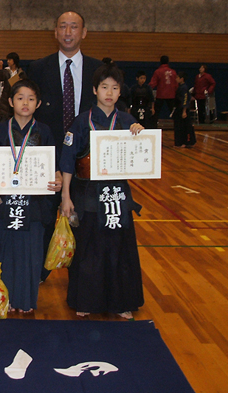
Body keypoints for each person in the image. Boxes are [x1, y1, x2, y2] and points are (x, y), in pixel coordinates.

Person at [60, 63, 145, 320]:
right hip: (86, 193)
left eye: (115, 88)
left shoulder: (129, 122)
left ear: (120, 93)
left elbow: (142, 157)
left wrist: (140, 136)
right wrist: (65, 196)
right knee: (88, 248)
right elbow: (67, 161)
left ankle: (121, 302)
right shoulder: (80, 122)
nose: (109, 92)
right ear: (95, 90)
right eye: (104, 87)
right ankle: (85, 300)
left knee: (119, 248)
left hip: (117, 194)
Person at [27, 11, 102, 282]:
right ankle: (38, 273)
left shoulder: (99, 70)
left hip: (86, 164)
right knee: (44, 217)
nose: (68, 32)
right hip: (48, 160)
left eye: (74, 27)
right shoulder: (37, 69)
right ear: (55, 32)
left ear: (84, 32)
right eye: (63, 26)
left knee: (85, 221)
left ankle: (83, 279)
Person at [0, 79, 62, 313]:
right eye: (20, 98)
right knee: (1, 250)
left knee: (30, 251)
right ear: (10, 101)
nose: (25, 103)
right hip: (2, 202)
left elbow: (53, 165)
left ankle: (24, 300)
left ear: (38, 103)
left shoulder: (44, 131)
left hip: (33, 202)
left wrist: (58, 180)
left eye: (31, 98)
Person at [0, 52, 27, 122]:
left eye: (10, 59)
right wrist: (0, 68)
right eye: (7, 60)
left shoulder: (21, 72)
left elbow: (25, 84)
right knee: (4, 119)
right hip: (6, 98)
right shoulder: (6, 71)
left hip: (17, 97)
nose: (8, 61)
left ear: (14, 61)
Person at [149, 55, 177, 124]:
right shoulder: (173, 72)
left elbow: (153, 83)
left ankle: (153, 126)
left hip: (161, 95)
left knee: (155, 112)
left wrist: (147, 88)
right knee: (174, 112)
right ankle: (178, 125)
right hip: (171, 95)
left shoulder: (158, 71)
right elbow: (176, 84)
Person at [174, 71, 196, 147]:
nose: (176, 79)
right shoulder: (180, 87)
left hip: (183, 109)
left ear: (182, 79)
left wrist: (184, 111)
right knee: (179, 126)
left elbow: (185, 100)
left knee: (184, 127)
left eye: (177, 77)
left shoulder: (184, 88)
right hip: (179, 108)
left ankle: (186, 142)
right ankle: (180, 142)